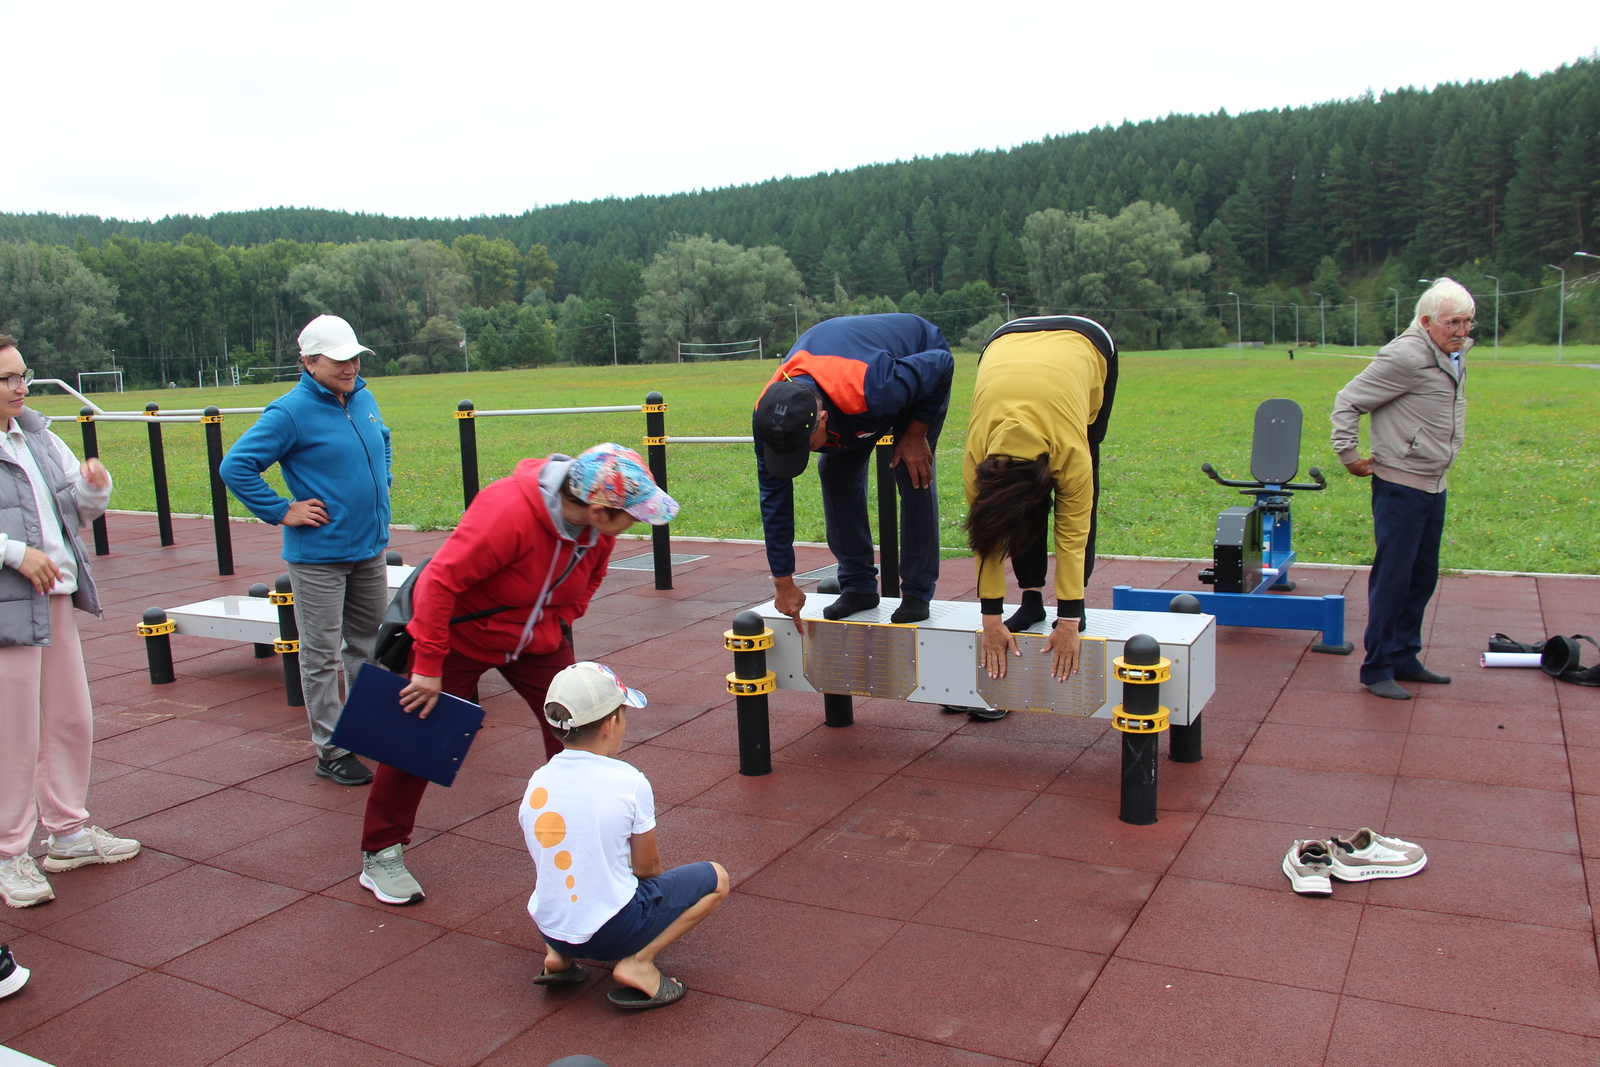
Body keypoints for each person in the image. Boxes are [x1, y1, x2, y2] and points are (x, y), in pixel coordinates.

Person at [357, 443, 679, 906]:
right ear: (597, 507)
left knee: (584, 725)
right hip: (459, 637)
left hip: (536, 639)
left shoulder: (598, 529)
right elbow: (440, 581)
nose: (637, 523)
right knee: (419, 735)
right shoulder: (507, 510)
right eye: (631, 514)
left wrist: (564, 615)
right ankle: (381, 852)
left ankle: (592, 840)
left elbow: (591, 576)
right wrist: (427, 667)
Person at [220, 314, 392, 786]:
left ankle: (369, 728)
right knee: (321, 653)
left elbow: (383, 440)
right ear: (309, 361)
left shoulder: (364, 397)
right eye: (338, 359)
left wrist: (385, 483)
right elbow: (236, 466)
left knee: (369, 644)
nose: (350, 366)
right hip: (319, 555)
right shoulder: (289, 412)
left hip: (369, 548)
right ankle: (331, 749)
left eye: (354, 356)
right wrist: (282, 510)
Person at [1, 336, 140, 910]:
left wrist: (92, 490)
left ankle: (68, 832)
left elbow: (70, 513)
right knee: (11, 736)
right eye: (7, 378)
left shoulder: (36, 434)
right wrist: (12, 552)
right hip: (8, 606)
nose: (20, 386)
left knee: (69, 719)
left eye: (22, 374)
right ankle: (10, 854)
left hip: (53, 597)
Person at [523, 661, 728, 1011]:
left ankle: (558, 956)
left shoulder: (537, 780)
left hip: (549, 925)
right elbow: (649, 868)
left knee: (568, 868)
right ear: (609, 723)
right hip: (612, 934)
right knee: (717, 878)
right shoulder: (628, 780)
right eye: (623, 714)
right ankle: (638, 963)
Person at [959, 316, 1118, 719]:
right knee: (1008, 517)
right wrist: (990, 618)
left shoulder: (1069, 453)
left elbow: (1072, 534)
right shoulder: (978, 456)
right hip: (1002, 342)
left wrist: (1070, 618)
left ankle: (1067, 604)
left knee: (1078, 497)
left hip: (1089, 340)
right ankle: (1031, 603)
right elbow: (987, 540)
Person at [754, 313, 954, 625]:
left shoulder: (875, 385)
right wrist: (783, 581)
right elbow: (773, 498)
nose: (800, 455)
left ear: (822, 419)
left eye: (805, 445)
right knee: (835, 473)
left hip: (914, 364)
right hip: (846, 392)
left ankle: (917, 591)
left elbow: (941, 363)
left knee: (913, 471)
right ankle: (858, 585)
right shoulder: (768, 416)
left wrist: (915, 435)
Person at [1331, 278, 1474, 700]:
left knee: (1422, 575)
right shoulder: (1405, 356)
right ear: (1427, 321)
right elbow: (1348, 400)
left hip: (1435, 481)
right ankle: (1377, 668)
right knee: (1394, 576)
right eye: (1453, 323)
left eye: (1468, 322)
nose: (1462, 331)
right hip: (1401, 484)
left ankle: (1404, 656)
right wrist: (1349, 455)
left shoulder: (1454, 353)